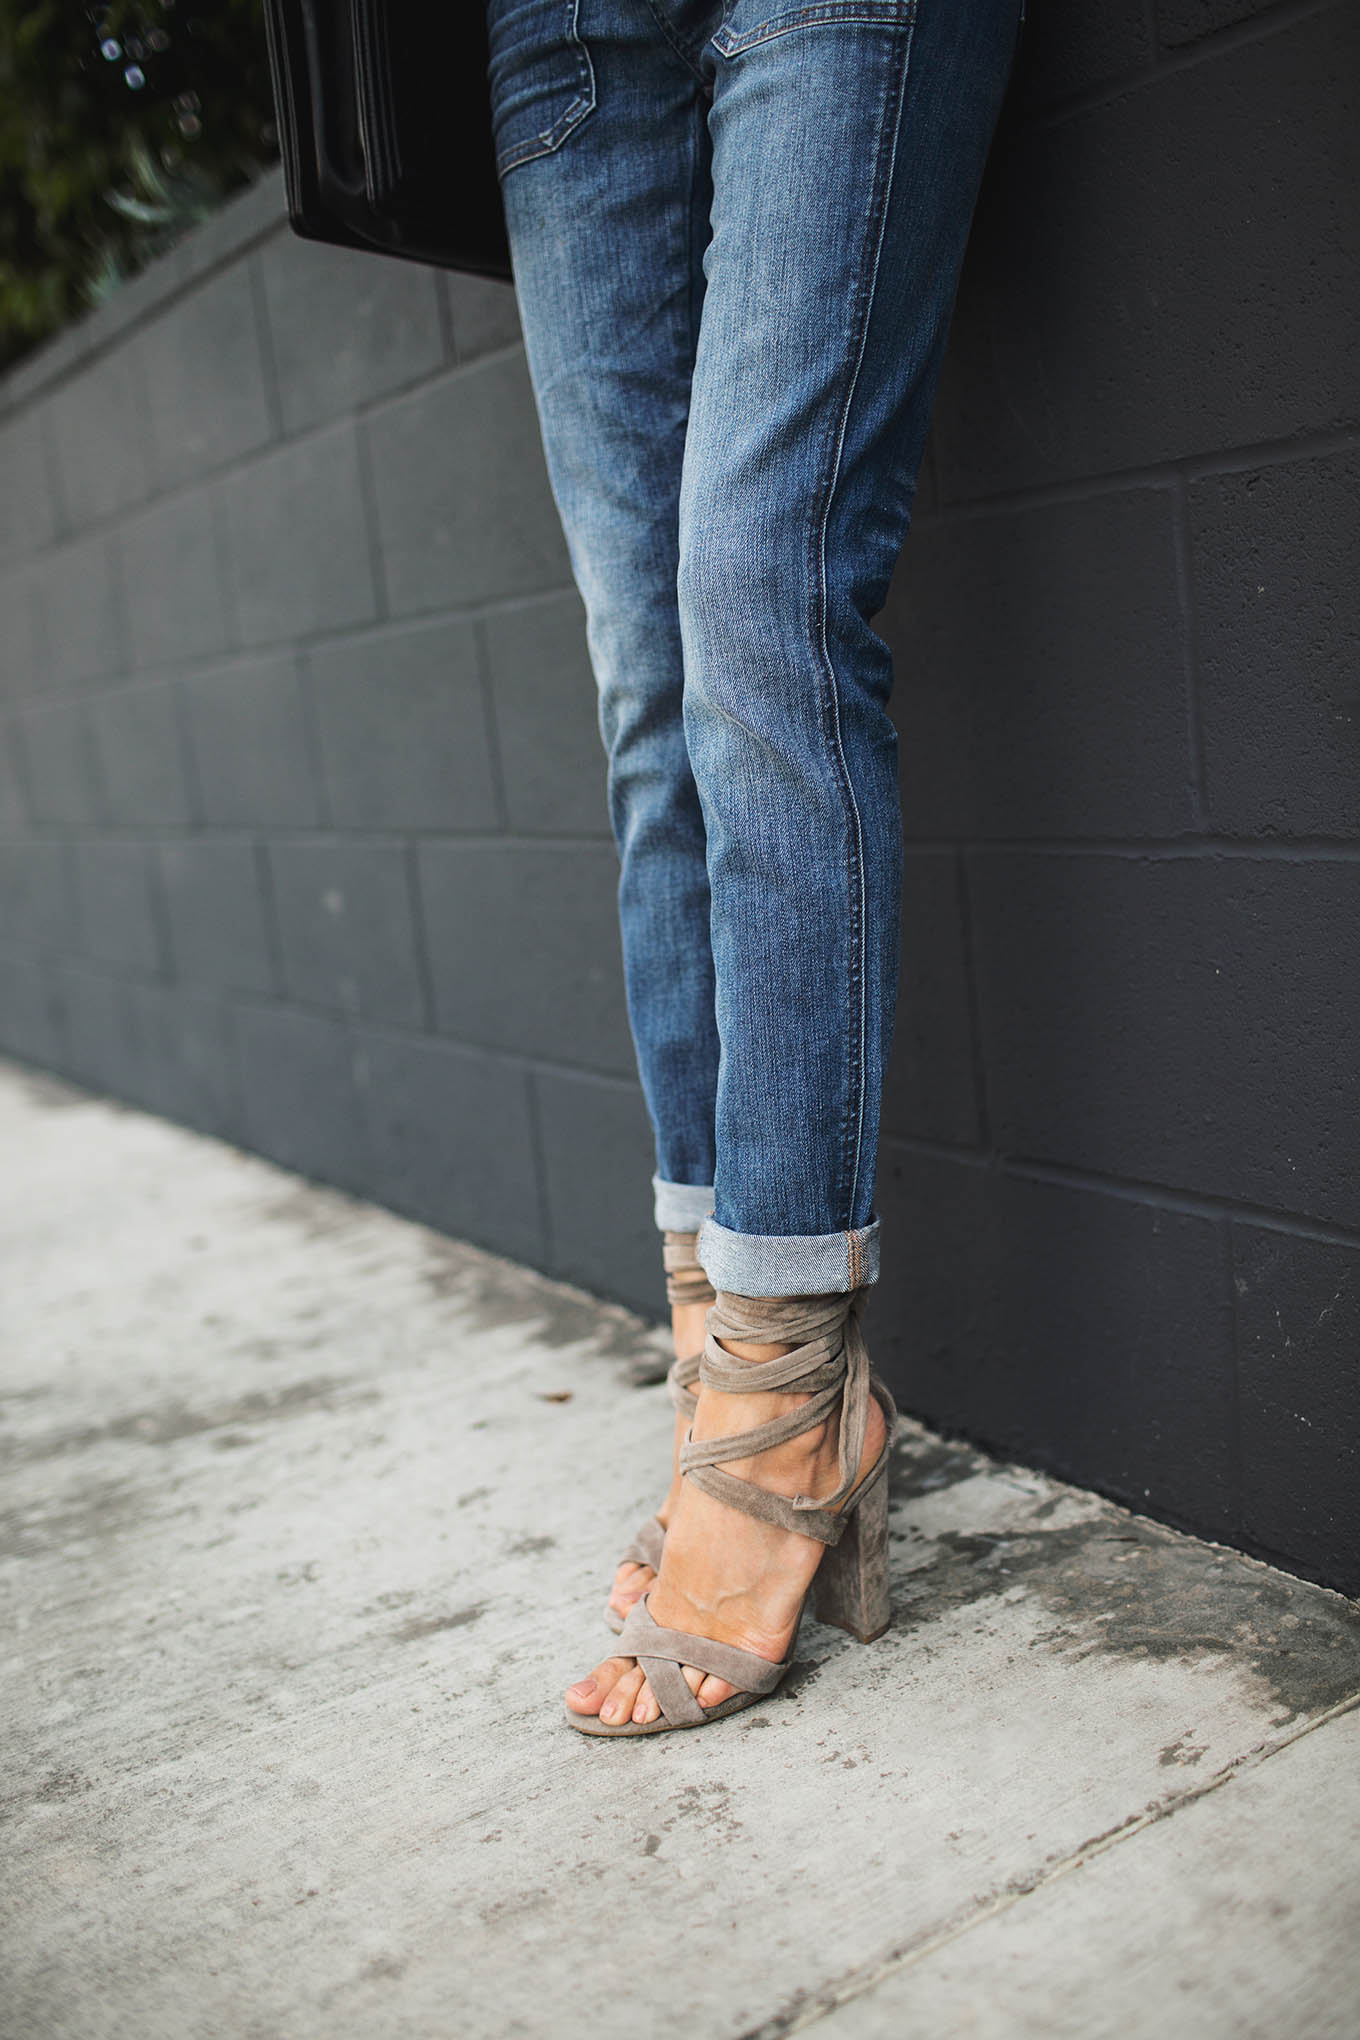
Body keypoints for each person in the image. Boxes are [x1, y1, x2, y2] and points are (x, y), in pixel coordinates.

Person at [483, 0, 1023, 1735]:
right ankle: (721, 1376)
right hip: (555, 33)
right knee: (651, 686)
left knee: (756, 614)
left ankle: (783, 1388)